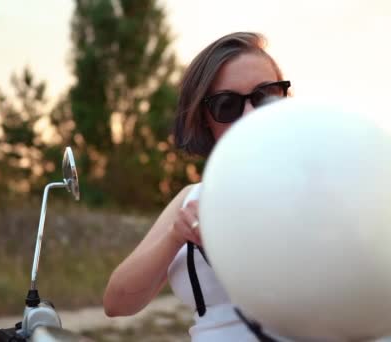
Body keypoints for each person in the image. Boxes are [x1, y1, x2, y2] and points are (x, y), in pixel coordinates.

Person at [103, 32, 291, 341]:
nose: (250, 114)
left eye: (265, 95)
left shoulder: (321, 182)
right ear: (204, 120)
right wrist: (176, 235)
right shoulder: (191, 198)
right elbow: (117, 303)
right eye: (227, 104)